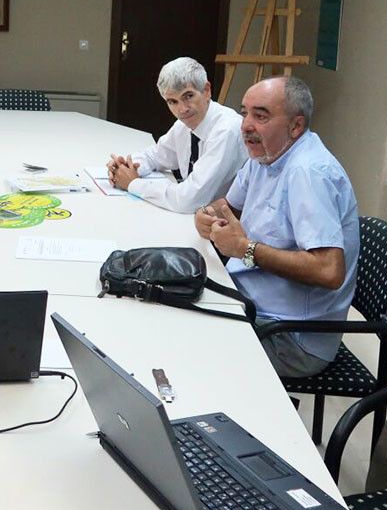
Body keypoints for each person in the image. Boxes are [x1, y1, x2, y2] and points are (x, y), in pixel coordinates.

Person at [195, 76, 359, 378]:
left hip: (292, 336)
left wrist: (246, 250)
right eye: (244, 112)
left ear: (295, 126)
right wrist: (204, 214)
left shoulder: (308, 173)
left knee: (187, 353)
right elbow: (227, 208)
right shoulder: (265, 154)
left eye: (261, 116)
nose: (246, 125)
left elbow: (328, 270)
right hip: (252, 303)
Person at [106, 57, 247, 213]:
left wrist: (133, 183)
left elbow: (189, 200)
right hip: (198, 219)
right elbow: (156, 156)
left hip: (223, 224)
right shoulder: (184, 124)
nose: (182, 109)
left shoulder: (226, 130)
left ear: (206, 90)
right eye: (172, 101)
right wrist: (126, 167)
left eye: (188, 96)